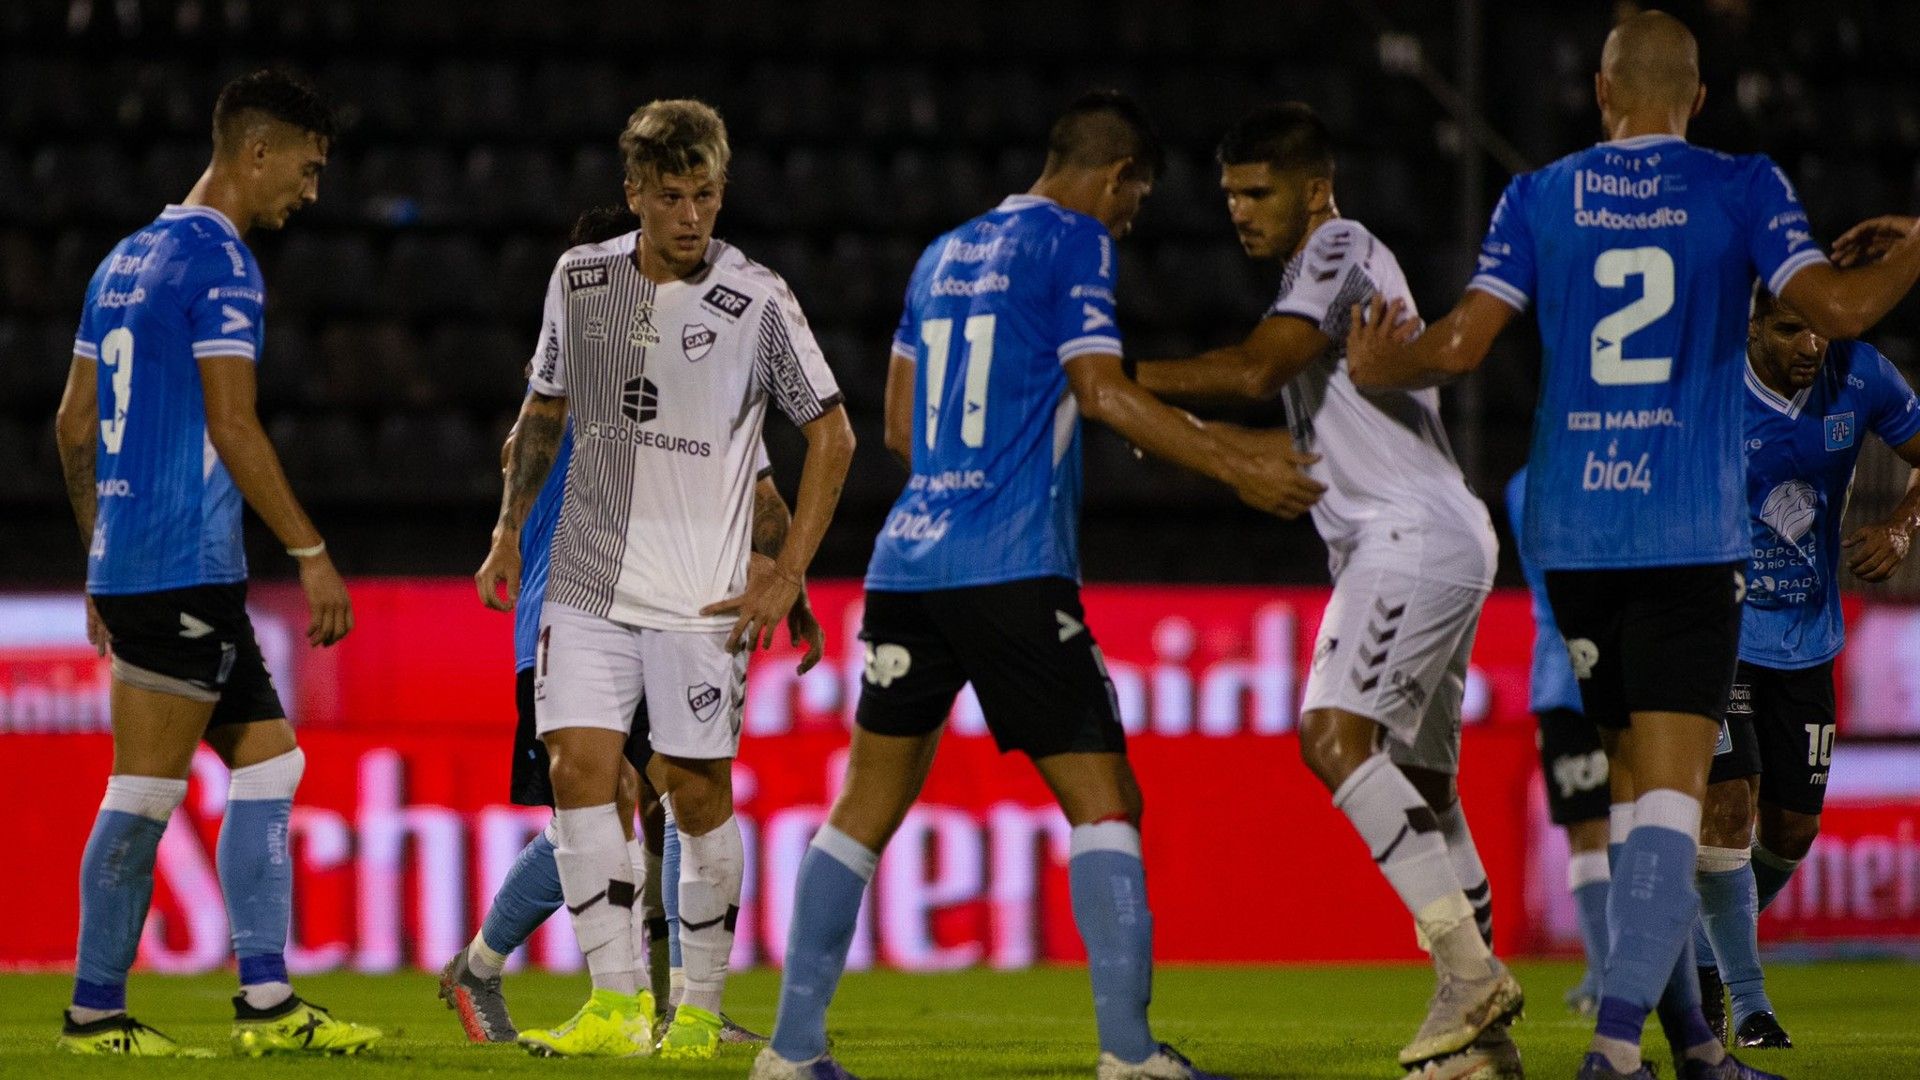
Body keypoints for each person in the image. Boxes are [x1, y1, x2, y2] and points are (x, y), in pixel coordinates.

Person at [1346, 12, 1920, 1079]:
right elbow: (1836, 305)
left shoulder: (1539, 193)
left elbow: (1461, 345)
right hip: (1687, 534)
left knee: (1635, 797)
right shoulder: (1742, 184)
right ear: (1695, 100)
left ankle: (1696, 1047)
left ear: (1602, 95)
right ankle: (1617, 1046)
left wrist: (1385, 365)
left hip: (1574, 536)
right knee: (1668, 806)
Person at [753, 90, 1316, 1080]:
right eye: (1136, 199)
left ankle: (792, 1051)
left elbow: (898, 428)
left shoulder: (941, 253)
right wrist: (1235, 463)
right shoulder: (1074, 243)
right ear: (1115, 178)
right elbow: (1100, 390)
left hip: (909, 561)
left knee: (863, 808)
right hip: (1010, 565)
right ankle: (1130, 1054)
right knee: (1106, 801)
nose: (1132, 220)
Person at [1129, 102, 1519, 1078]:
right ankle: (1483, 1043)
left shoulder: (1338, 243)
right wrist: (1183, 438)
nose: (1240, 213)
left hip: (1410, 540)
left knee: (1332, 737)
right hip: (1436, 537)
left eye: (1257, 193)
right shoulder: (1336, 283)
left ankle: (1470, 975)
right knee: (1426, 787)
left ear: (1313, 188)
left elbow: (1257, 371)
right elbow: (1295, 427)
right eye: (1228, 196)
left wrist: (1110, 379)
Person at [475, 99, 854, 1060]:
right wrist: (509, 533)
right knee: (579, 778)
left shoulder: (758, 297)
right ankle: (614, 1006)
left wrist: (789, 575)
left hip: (698, 596)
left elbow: (831, 436)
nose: (692, 216)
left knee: (692, 794)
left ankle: (695, 1008)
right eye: (672, 196)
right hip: (587, 585)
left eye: (707, 195)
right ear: (634, 193)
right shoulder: (580, 279)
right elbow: (543, 411)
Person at [49, 69, 379, 1057]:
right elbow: (233, 424)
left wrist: (95, 553)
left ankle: (269, 1006)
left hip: (144, 560)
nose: (310, 193)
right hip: (178, 563)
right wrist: (312, 554)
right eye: (308, 170)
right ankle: (93, 1014)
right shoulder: (222, 263)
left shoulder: (121, 260)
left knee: (273, 760)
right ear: (257, 152)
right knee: (143, 791)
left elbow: (71, 426)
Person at [1689, 286, 1920, 1049]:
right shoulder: (1709, 386)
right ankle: (1749, 1007)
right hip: (1718, 631)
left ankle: (1696, 953)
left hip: (1807, 637)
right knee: (1728, 807)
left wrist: (1901, 522)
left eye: (1820, 329)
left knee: (1791, 830)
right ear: (1751, 324)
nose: (1810, 347)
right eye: (1790, 329)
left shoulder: (1861, 376)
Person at [1506, 468, 1613, 1019]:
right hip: (1596, 674)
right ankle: (1611, 973)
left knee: (1594, 833)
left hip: (1565, 677)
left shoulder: (1528, 484)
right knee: (1620, 825)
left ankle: (1610, 973)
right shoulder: (1544, 485)